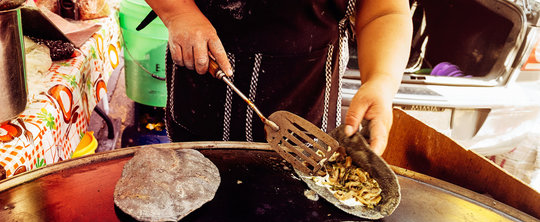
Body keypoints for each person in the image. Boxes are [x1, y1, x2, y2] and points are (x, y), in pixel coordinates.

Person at [144, 0, 412, 155]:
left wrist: (381, 80)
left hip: (305, 121)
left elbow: (384, 11)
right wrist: (177, 11)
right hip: (203, 103)